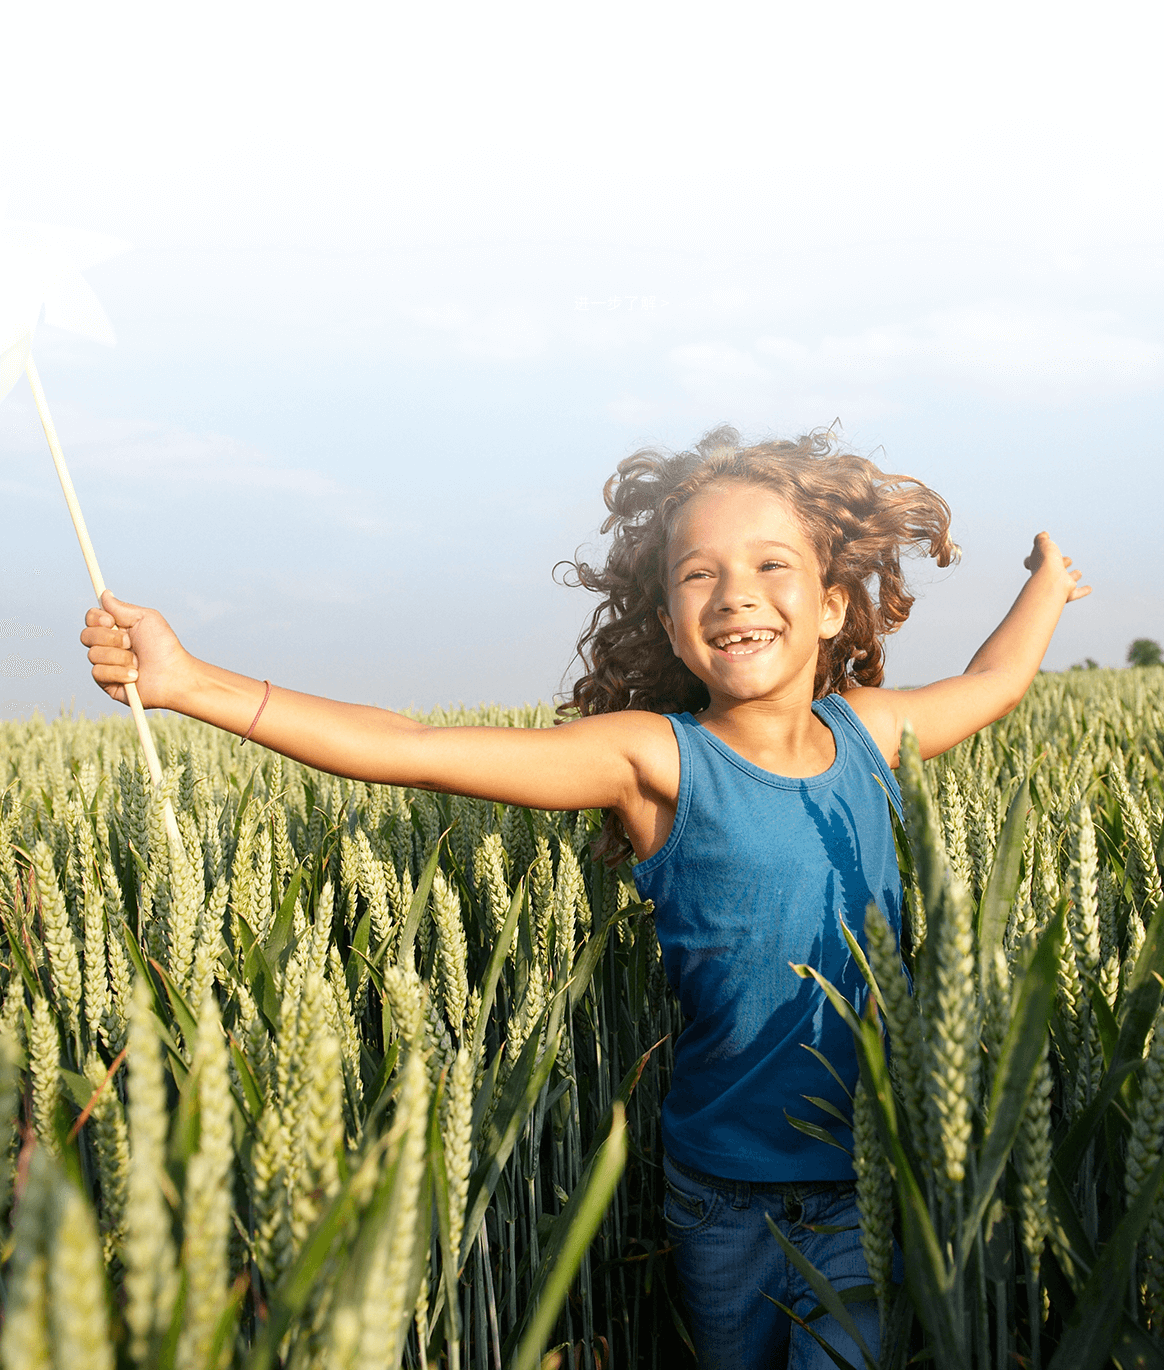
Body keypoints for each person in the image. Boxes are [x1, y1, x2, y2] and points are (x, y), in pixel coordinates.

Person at [80, 426, 1089, 1369]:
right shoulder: (656, 760)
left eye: (770, 565)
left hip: (869, 1176)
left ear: (831, 604)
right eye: (700, 574)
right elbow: (415, 749)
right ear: (670, 624)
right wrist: (190, 682)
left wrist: (1046, 584)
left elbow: (995, 681)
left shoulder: (875, 735)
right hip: (723, 1197)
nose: (735, 594)